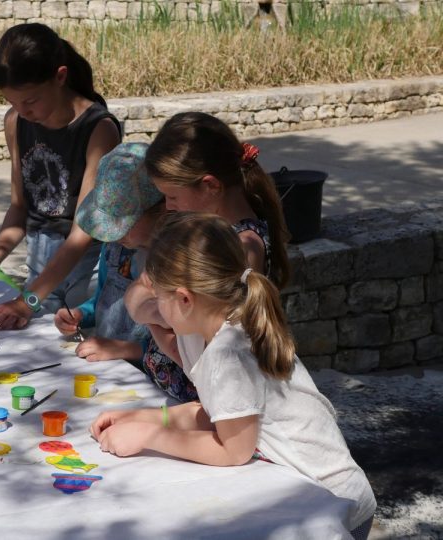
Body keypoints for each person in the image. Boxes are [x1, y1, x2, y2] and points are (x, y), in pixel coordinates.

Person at [90, 212, 376, 539]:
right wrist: (144, 418)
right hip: (310, 493)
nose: (157, 310)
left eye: (160, 299)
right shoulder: (214, 328)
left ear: (184, 299)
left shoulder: (228, 353)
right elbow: (220, 414)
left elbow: (234, 450)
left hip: (332, 503)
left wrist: (149, 437)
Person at [0, 23, 121, 330]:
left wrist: (27, 301)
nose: (23, 111)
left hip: (88, 268)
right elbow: (19, 207)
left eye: (30, 101)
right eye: (13, 102)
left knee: (81, 352)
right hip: (40, 262)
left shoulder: (99, 129)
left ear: (60, 77)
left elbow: (81, 233)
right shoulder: (16, 122)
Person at [124, 111, 290, 380]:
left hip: (209, 404)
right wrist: (162, 317)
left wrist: (152, 313)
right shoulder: (194, 230)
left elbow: (197, 324)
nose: (168, 206)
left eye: (172, 195)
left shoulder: (243, 247)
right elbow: (136, 293)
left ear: (210, 186)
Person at [54, 142, 198, 401]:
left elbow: (185, 346)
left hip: (152, 384)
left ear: (160, 210)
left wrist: (125, 349)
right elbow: (104, 299)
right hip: (109, 368)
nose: (112, 235)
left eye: (121, 225)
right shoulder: (116, 247)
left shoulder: (178, 263)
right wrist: (81, 314)